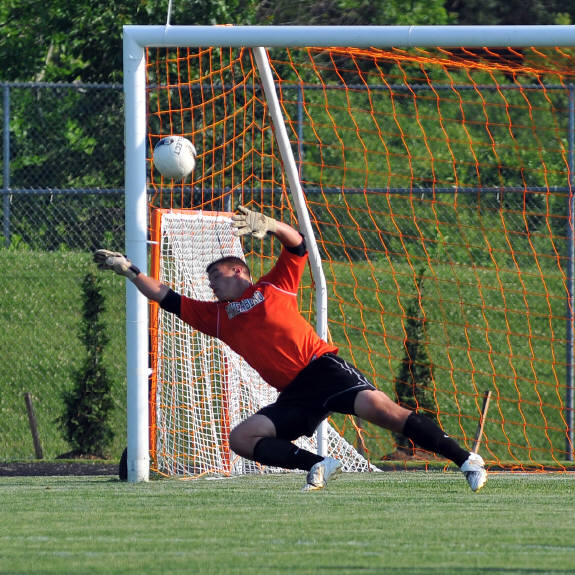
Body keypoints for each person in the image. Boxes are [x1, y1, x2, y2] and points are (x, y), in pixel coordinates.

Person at [94, 205, 487, 492]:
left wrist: (269, 225)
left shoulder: (273, 286)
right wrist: (130, 271)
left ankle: (466, 460)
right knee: (242, 438)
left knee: (385, 413)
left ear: (240, 271)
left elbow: (298, 245)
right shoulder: (216, 317)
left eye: (216, 275)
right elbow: (166, 297)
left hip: (323, 369)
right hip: (295, 394)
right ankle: (320, 464)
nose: (210, 283)